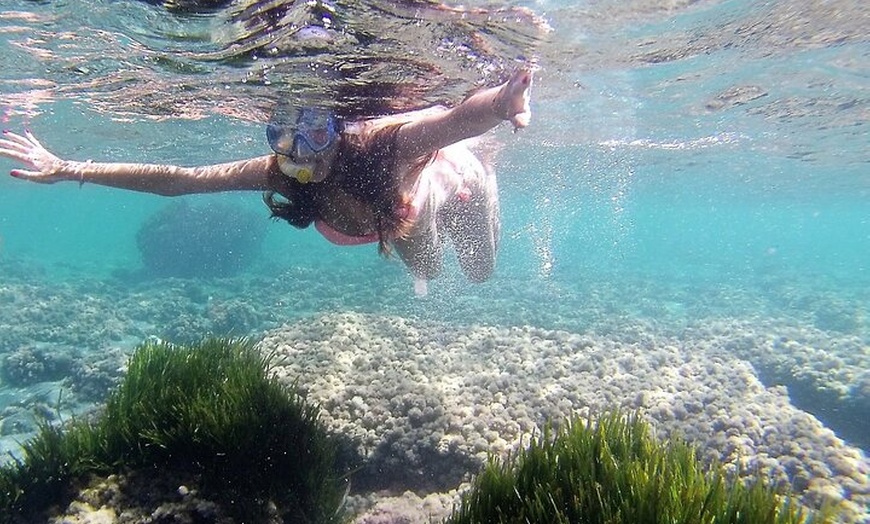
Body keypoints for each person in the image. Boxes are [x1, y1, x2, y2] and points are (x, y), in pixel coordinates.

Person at [0, 67, 533, 296]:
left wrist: (502, 103)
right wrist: (73, 168)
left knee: (478, 272)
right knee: (431, 272)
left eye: (318, 132)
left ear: (338, 130)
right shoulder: (279, 170)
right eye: (285, 134)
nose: (302, 151)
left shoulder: (383, 145)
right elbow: (179, 179)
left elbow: (455, 119)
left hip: (427, 194)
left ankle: (469, 175)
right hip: (385, 223)